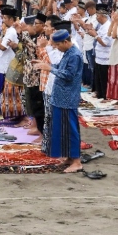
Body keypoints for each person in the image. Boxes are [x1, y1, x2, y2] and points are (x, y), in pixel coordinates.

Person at [36, 29, 84, 172]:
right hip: (60, 97)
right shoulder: (67, 53)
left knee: (70, 130)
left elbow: (68, 75)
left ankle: (77, 161)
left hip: (67, 98)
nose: (56, 47)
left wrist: (49, 68)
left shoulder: (75, 55)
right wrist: (43, 64)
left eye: (57, 45)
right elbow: (60, 68)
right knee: (62, 129)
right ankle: (69, 157)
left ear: (66, 42)